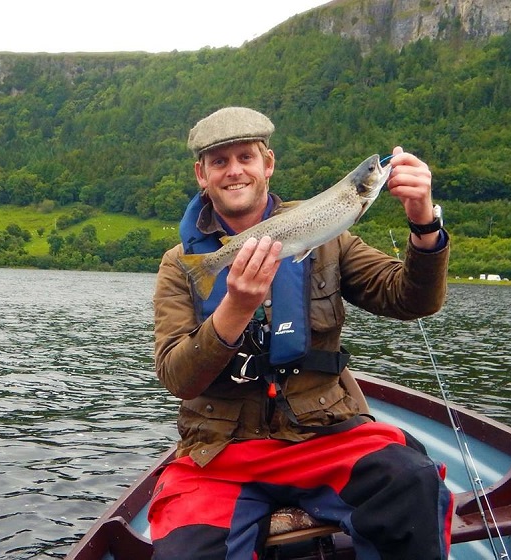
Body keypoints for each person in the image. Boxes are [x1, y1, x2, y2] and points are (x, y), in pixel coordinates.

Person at [149, 106, 452, 560]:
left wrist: (424, 223)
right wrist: (236, 308)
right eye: (219, 161)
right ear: (202, 174)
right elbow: (178, 378)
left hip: (323, 437)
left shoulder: (327, 229)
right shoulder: (181, 265)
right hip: (219, 453)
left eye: (246, 158)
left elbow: (410, 300)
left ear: (267, 164)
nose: (235, 171)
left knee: (411, 482)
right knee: (186, 552)